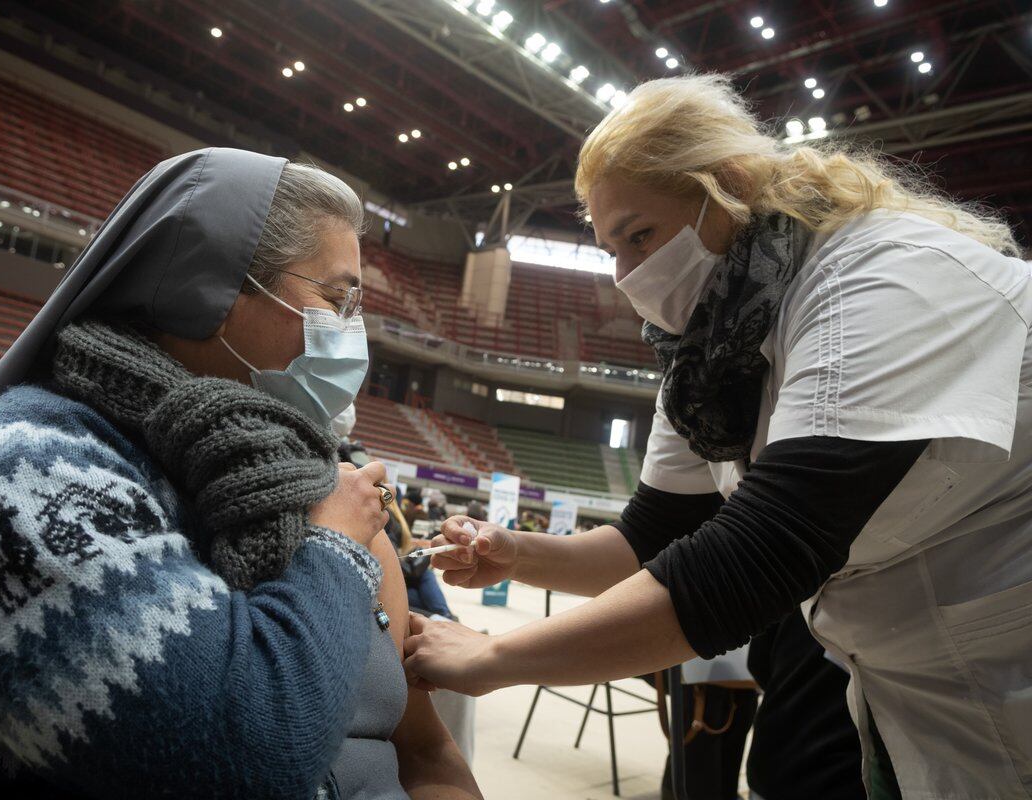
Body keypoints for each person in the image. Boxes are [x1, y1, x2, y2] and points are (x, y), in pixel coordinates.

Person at [405, 74, 1032, 798]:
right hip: (915, 693)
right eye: (611, 249)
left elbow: (763, 552)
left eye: (639, 235)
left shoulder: (882, 277)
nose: (626, 276)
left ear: (729, 185)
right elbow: (652, 537)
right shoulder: (713, 345)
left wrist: (494, 657)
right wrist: (518, 553)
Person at [0, 150, 480, 800]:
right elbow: (242, 754)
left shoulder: (281, 480)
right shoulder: (25, 470)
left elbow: (421, 751)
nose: (350, 333)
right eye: (335, 298)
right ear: (212, 290)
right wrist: (335, 548)